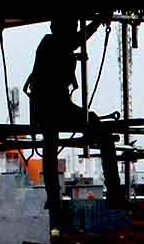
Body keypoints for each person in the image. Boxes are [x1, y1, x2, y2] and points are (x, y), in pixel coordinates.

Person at [24, 14, 124, 229]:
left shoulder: (54, 45)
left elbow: (72, 43)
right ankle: (114, 194)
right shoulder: (51, 43)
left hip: (50, 108)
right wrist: (97, 23)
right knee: (99, 135)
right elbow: (76, 40)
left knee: (51, 147)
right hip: (52, 107)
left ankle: (55, 200)